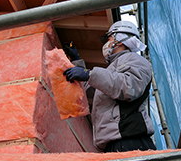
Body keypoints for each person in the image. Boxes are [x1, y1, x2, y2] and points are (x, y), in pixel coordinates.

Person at [63, 20, 157, 153]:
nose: (106, 44)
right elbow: (90, 91)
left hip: (130, 140)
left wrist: (89, 74)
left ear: (119, 40)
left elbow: (130, 87)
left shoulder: (135, 59)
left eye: (109, 38)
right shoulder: (113, 68)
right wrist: (77, 61)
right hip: (115, 143)